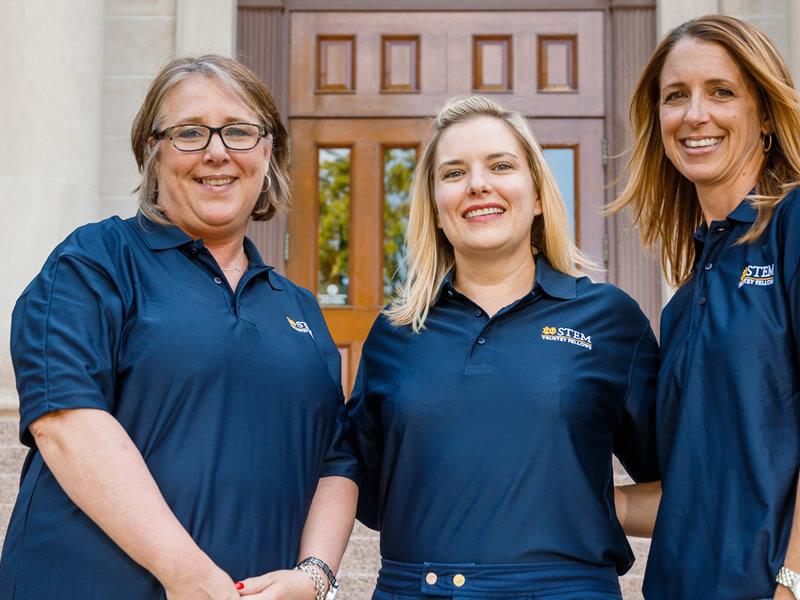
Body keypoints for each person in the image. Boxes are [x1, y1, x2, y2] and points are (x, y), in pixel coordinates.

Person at [240, 95, 660, 600]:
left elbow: (687, 489)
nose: (477, 184)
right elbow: (346, 467)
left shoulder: (609, 320)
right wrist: (314, 573)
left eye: (501, 166)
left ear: (538, 195)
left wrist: (598, 501)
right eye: (454, 173)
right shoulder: (396, 332)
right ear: (436, 209)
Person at [0, 54, 346, 600]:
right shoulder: (95, 260)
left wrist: (315, 577)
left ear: (267, 153)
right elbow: (65, 420)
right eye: (189, 132)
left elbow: (336, 459)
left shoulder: (300, 309)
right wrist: (188, 574)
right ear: (152, 152)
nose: (217, 151)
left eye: (238, 131)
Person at [609, 14, 800, 600]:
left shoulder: (793, 225)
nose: (694, 114)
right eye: (675, 96)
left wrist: (792, 581)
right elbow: (694, 493)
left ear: (764, 114)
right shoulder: (689, 293)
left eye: (721, 92)